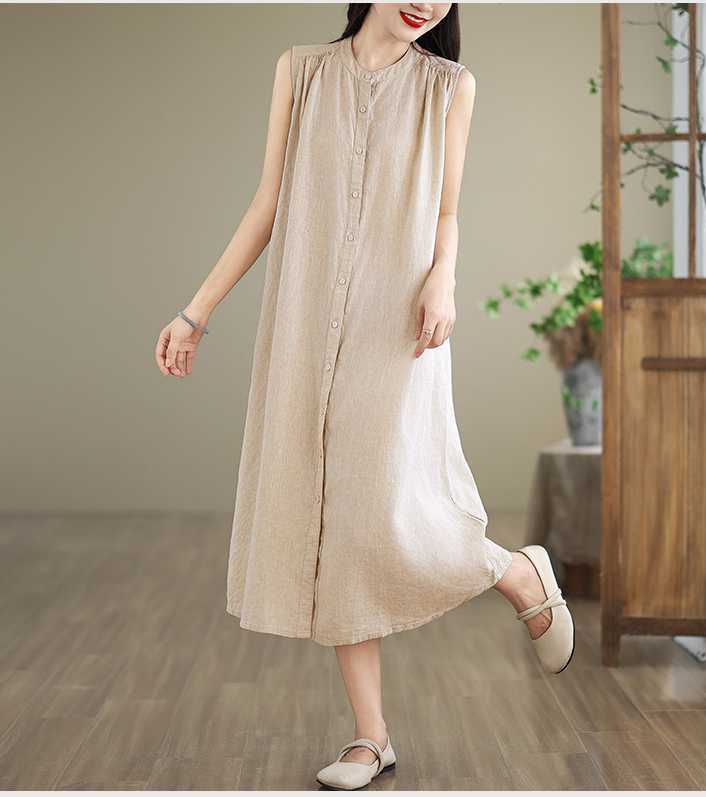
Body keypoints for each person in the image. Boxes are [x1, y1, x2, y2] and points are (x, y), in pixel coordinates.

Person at [155, 3, 574, 790]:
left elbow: (446, 209)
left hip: (397, 324)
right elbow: (268, 204)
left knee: (385, 507)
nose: (426, 2)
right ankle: (371, 737)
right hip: (305, 324)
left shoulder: (450, 87)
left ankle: (513, 570)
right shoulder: (300, 72)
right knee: (336, 518)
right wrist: (196, 311)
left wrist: (443, 278)